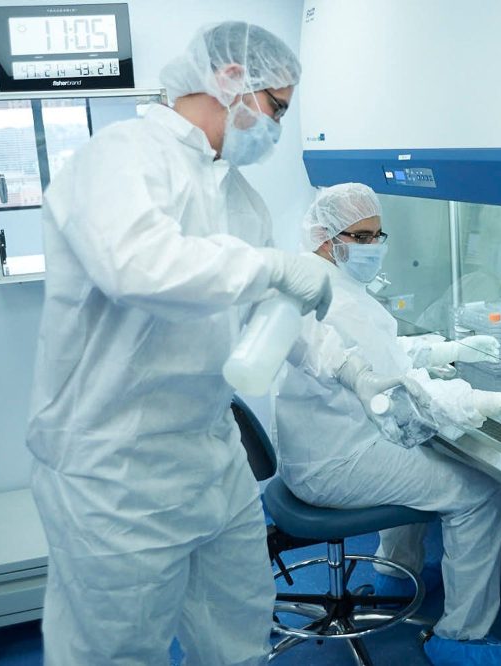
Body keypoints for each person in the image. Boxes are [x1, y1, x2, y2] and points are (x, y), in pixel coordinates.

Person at [25, 22, 334, 665]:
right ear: (229, 79)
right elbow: (140, 266)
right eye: (275, 107)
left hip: (211, 455)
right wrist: (275, 267)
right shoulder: (121, 156)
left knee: (240, 635)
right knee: (113, 652)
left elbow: (262, 324)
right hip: (114, 470)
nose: (275, 128)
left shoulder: (239, 199)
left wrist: (352, 367)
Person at [274, 183, 501, 666]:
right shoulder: (330, 295)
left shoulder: (323, 280)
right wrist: (487, 401)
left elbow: (382, 356)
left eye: (376, 234)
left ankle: (393, 573)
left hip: (326, 445)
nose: (374, 246)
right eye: (360, 237)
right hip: (338, 461)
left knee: (422, 460)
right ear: (325, 235)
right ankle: (459, 639)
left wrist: (443, 349)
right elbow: (406, 393)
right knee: (478, 496)